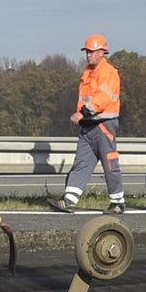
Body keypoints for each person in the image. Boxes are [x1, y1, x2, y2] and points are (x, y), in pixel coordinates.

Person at [52, 35, 125, 214]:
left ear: (102, 52)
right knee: (81, 163)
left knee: (110, 165)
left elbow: (102, 99)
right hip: (88, 125)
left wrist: (82, 113)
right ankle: (69, 199)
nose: (88, 55)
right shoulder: (88, 72)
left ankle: (117, 202)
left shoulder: (107, 72)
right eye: (87, 52)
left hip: (103, 125)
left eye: (91, 52)